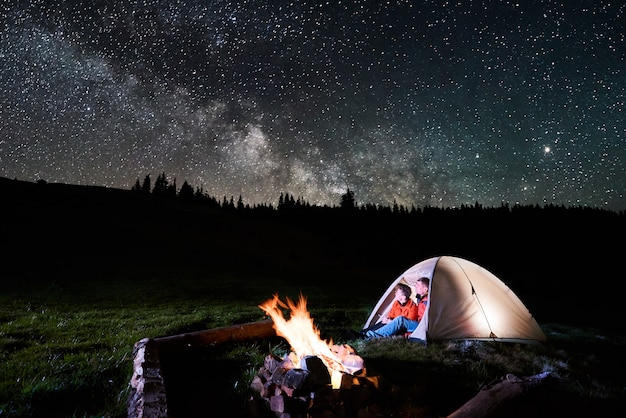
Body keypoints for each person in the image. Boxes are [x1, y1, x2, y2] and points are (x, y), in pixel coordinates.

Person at [364, 277, 429, 339]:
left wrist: (408, 335)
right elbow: (392, 315)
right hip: (417, 326)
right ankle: (363, 333)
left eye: (418, 285)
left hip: (423, 327)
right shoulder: (421, 300)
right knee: (385, 322)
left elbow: (423, 322)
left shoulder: (426, 302)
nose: (415, 287)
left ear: (425, 289)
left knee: (400, 320)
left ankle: (369, 335)